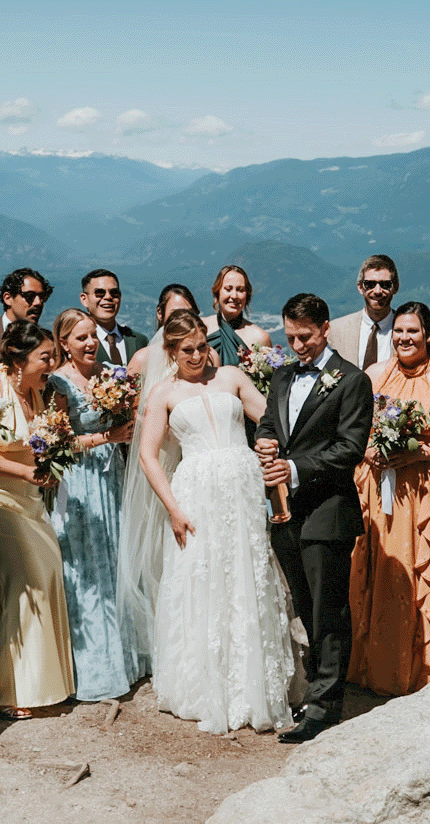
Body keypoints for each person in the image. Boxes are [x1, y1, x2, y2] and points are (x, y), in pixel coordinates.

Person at [132, 310, 297, 734]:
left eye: (202, 345)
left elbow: (273, 419)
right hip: (196, 494)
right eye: (186, 350)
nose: (197, 355)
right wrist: (173, 508)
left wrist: (268, 445)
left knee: (247, 574)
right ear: (170, 351)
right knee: (204, 578)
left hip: (242, 491)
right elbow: (149, 456)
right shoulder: (163, 394)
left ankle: (256, 684)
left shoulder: (231, 378)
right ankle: (206, 685)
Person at [255, 293, 373, 743]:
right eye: (290, 337)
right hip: (285, 513)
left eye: (305, 337)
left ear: (325, 329)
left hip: (328, 512)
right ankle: (314, 692)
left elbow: (351, 450)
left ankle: (325, 708)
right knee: (303, 609)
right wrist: (265, 443)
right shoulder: (282, 376)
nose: (298, 345)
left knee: (328, 611)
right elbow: (270, 423)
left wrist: (296, 468)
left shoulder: (351, 381)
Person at [348, 301, 430, 696]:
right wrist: (372, 450)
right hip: (380, 490)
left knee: (428, 577)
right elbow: (355, 426)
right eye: (399, 331)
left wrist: (419, 452)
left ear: (428, 335)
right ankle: (379, 666)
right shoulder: (374, 375)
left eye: (412, 332)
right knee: (382, 572)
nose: (404, 338)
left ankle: (426, 668)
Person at [0, 320, 77, 716]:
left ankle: (47, 686)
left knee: (49, 571)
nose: (53, 363)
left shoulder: (39, 392)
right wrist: (21, 472)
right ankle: (14, 692)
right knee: (27, 580)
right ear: (18, 359)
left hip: (33, 499)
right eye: (45, 357)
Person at [46, 308, 144, 702]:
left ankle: (126, 658)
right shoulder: (58, 383)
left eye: (92, 336)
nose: (90, 344)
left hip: (111, 477)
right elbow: (56, 443)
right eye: (81, 338)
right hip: (78, 483)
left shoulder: (108, 374)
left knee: (117, 562)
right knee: (85, 567)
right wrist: (107, 437)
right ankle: (93, 667)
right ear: (64, 343)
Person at [117, 283, 202, 665]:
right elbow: (130, 414)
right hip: (160, 457)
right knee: (154, 549)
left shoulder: (204, 357)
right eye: (173, 316)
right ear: (159, 318)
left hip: (194, 460)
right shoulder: (144, 358)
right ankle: (158, 642)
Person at [328, 255, 399, 370]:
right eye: (370, 284)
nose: (377, 291)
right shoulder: (336, 331)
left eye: (385, 285)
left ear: (395, 287)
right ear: (360, 287)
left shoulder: (408, 332)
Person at [202, 264, 274, 366]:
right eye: (228, 289)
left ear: (247, 295)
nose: (234, 296)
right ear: (217, 292)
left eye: (240, 290)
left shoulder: (260, 337)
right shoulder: (201, 327)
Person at [80, 268, 148, 369]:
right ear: (84, 299)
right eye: (99, 293)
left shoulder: (139, 341)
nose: (108, 297)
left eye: (114, 292)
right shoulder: (79, 343)